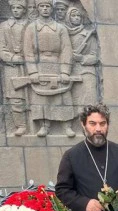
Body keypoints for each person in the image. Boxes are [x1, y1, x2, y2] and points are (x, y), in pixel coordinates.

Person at [23, 0, 75, 137]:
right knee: (42, 97)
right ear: (38, 8)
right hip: (40, 65)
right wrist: (33, 71)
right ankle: (44, 125)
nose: (45, 9)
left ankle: (67, 125)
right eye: (42, 6)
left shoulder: (60, 28)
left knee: (63, 96)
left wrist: (65, 71)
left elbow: (66, 50)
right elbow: (28, 51)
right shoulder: (31, 28)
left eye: (47, 6)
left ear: (51, 9)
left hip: (57, 63)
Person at [0, 0, 28, 136]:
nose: (16, 10)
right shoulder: (4, 26)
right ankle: (20, 125)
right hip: (11, 67)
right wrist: (12, 58)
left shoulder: (30, 25)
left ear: (24, 10)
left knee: (33, 96)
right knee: (15, 97)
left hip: (29, 65)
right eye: (14, 8)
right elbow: (1, 48)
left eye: (19, 8)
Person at [65, 6, 98, 113]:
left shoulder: (88, 35)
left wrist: (82, 58)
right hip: (70, 72)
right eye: (73, 16)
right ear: (68, 17)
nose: (76, 18)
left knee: (89, 100)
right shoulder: (63, 34)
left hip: (86, 71)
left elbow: (95, 57)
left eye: (78, 16)